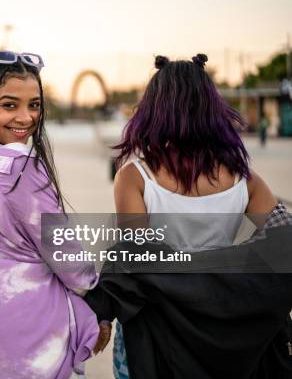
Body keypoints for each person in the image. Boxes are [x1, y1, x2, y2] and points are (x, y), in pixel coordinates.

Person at [91, 54, 281, 378]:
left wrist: (101, 312)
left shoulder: (135, 177)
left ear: (153, 110)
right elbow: (273, 245)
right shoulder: (244, 179)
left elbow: (135, 259)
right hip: (222, 327)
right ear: (211, 109)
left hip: (155, 330)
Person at [0, 50, 103, 379]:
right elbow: (72, 266)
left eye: (34, 105)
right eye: (9, 105)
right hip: (22, 351)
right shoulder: (19, 171)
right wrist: (98, 301)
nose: (26, 118)